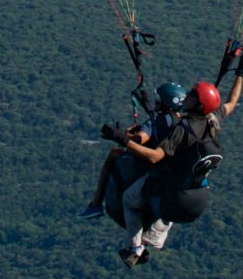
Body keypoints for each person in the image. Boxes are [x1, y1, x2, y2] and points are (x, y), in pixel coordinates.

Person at [119, 54, 243, 266]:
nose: (186, 96)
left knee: (129, 199)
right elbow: (232, 101)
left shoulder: (183, 130)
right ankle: (154, 237)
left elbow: (154, 156)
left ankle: (134, 247)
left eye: (191, 95)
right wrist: (241, 73)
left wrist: (124, 141)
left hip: (174, 193)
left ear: (198, 105)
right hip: (198, 197)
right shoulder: (212, 119)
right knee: (175, 191)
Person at [78, 80, 186, 220]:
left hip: (152, 164)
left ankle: (96, 203)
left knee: (114, 153)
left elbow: (140, 140)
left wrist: (123, 136)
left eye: (159, 99)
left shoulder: (157, 120)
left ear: (166, 102)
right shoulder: (184, 121)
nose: (156, 102)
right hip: (174, 168)